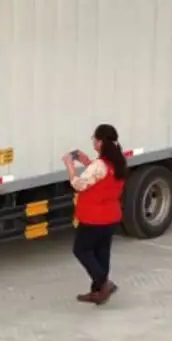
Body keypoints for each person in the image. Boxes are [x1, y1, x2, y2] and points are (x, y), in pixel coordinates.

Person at [64, 123, 129, 305]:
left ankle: (103, 283)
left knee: (81, 250)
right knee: (102, 252)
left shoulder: (100, 165)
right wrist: (86, 162)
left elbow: (78, 184)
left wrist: (69, 164)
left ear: (100, 142)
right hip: (111, 216)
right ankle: (98, 291)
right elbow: (101, 174)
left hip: (94, 217)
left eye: (93, 138)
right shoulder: (118, 162)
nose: (92, 141)